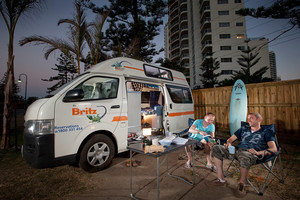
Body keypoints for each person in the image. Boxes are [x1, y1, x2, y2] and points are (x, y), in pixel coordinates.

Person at [209, 113, 277, 197]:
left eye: (251, 118)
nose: (248, 120)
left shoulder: (266, 132)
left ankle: (242, 184)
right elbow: (230, 139)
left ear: (259, 120)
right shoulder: (244, 128)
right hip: (237, 151)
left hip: (251, 154)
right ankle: (221, 179)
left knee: (244, 155)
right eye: (248, 118)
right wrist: (228, 144)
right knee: (216, 148)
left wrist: (258, 153)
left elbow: (274, 149)